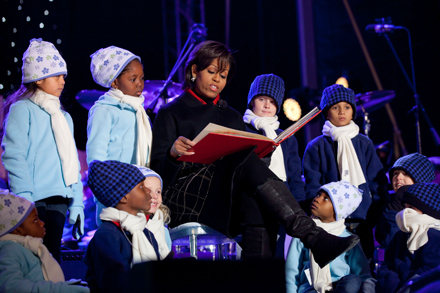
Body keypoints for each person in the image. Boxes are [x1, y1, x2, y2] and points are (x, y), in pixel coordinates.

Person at [150, 40, 359, 267]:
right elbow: (157, 176)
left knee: (253, 187)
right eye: (212, 72)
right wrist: (172, 154)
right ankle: (313, 236)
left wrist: (265, 152)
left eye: (223, 76)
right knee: (245, 162)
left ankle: (260, 277)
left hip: (226, 198)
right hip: (188, 199)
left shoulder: (231, 116)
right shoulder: (171, 112)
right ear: (194, 70)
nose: (217, 81)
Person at [1, 38, 84, 262]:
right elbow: (14, 156)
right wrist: (24, 198)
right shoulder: (22, 110)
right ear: (37, 79)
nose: (62, 81)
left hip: (59, 197)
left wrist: (77, 202)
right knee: (32, 257)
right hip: (33, 198)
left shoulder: (64, 117)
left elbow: (71, 162)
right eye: (56, 75)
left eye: (64, 76)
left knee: (52, 257)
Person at [302, 84, 389, 268]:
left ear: (353, 112)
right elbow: (312, 185)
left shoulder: (364, 143)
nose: (342, 111)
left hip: (361, 218)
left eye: (347, 107)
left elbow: (376, 180)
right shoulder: (316, 146)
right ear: (326, 113)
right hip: (330, 221)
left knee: (363, 268)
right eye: (335, 107)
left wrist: (376, 212)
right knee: (335, 269)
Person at [87, 45, 153, 225]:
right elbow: (96, 159)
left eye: (141, 78)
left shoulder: (139, 111)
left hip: (139, 192)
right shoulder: (104, 110)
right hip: (115, 195)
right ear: (115, 82)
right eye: (133, 79)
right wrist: (109, 193)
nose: (140, 83)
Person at [83, 160, 172, 292]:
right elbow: (113, 281)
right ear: (123, 197)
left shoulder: (144, 231)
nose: (150, 193)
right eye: (142, 187)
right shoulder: (107, 235)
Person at [243, 73, 306, 258]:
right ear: (252, 100)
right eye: (261, 98)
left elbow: (295, 177)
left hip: (284, 209)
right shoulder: (242, 130)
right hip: (254, 207)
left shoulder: (287, 137)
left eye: (272, 100)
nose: (266, 105)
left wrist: (300, 205)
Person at [286, 181, 375, 293]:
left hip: (340, 288)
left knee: (353, 281)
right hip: (312, 289)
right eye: (318, 195)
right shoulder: (303, 233)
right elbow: (292, 270)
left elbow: (362, 272)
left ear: (338, 211)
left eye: (326, 198)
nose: (317, 199)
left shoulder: (348, 239)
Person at [0, 189, 89, 292]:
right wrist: (61, 290)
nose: (42, 223)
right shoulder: (10, 250)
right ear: (16, 230)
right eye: (35, 220)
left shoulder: (29, 249)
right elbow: (10, 287)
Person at [377, 182, 440, 292]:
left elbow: (429, 271)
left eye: (411, 208)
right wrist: (392, 282)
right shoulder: (400, 235)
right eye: (405, 207)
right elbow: (387, 264)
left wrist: (404, 282)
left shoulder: (434, 236)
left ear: (427, 211)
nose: (406, 212)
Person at [375, 153, 435, 248]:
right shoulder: (389, 204)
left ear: (421, 178)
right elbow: (386, 239)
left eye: (406, 174)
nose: (398, 178)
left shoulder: (432, 205)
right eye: (395, 174)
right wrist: (394, 207)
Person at [136, 165, 172, 259]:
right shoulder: (125, 228)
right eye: (148, 191)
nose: (155, 196)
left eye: (158, 192)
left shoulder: (163, 231)